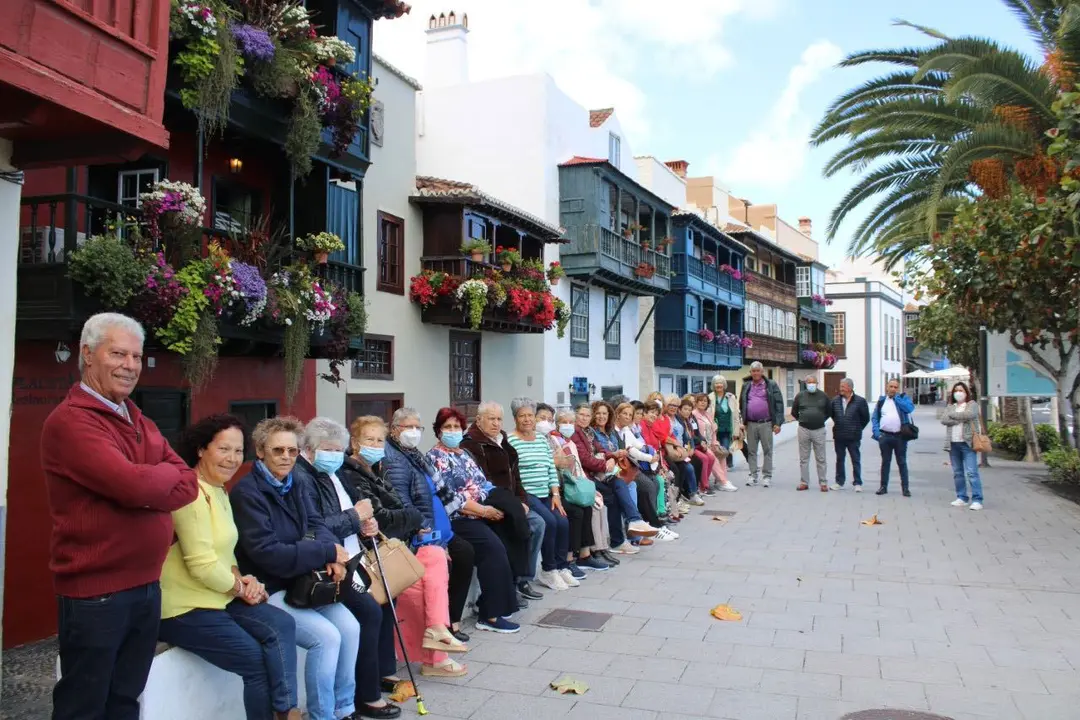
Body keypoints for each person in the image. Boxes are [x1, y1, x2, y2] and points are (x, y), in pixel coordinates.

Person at [43, 312, 199, 720]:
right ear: (87, 355)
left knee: (126, 700)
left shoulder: (136, 418)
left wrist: (148, 480)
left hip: (146, 587)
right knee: (85, 704)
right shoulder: (72, 421)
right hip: (97, 593)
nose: (130, 365)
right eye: (117, 354)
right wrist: (152, 478)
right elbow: (133, 485)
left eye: (135, 356)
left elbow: (189, 484)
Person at [164, 414, 301, 720]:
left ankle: (286, 709)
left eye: (239, 451)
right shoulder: (190, 492)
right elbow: (201, 565)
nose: (232, 459)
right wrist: (240, 589)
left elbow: (225, 554)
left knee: (283, 625)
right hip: (184, 607)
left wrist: (245, 580)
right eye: (224, 449)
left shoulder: (219, 489)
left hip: (217, 596)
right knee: (255, 661)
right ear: (201, 449)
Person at [230, 417, 363, 720]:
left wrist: (331, 555)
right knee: (325, 638)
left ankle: (345, 708)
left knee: (351, 627)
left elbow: (316, 524)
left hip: (303, 581)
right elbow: (268, 553)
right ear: (260, 451)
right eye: (279, 451)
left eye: (292, 451)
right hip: (271, 586)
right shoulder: (248, 493)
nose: (287, 457)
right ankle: (322, 715)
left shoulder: (297, 482)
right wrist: (323, 551)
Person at [341, 416, 470, 677]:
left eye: (380, 440)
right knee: (429, 566)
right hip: (374, 550)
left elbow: (401, 507)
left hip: (400, 540)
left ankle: (437, 632)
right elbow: (387, 518)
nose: (377, 445)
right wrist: (411, 519)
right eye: (370, 440)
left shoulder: (376, 469)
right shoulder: (354, 474)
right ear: (355, 443)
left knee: (435, 556)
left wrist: (409, 518)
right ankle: (436, 651)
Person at [294, 417, 405, 713]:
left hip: (355, 554)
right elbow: (313, 526)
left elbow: (356, 507)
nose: (334, 454)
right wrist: (355, 518)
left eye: (337, 449)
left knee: (379, 606)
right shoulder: (304, 478)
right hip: (330, 566)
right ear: (309, 449)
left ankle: (377, 676)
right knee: (367, 613)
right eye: (327, 449)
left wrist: (366, 523)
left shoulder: (334, 471)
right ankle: (365, 696)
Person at [428, 407, 521, 633]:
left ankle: (508, 597)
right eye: (447, 427)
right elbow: (450, 497)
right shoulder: (434, 458)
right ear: (438, 431)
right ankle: (490, 615)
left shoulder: (464, 454)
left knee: (511, 536)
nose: (453, 431)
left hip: (480, 509)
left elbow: (483, 483)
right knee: (493, 549)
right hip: (459, 518)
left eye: (456, 427)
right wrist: (482, 510)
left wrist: (490, 505)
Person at [460, 401, 543, 608]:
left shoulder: (503, 441)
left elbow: (517, 478)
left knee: (539, 524)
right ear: (479, 420)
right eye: (491, 418)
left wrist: (522, 501)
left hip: (513, 500)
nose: (496, 423)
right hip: (492, 502)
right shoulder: (472, 444)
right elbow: (482, 483)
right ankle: (509, 585)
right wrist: (512, 506)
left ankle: (521, 579)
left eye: (499, 419)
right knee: (513, 528)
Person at [506, 397, 580, 590]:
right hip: (527, 493)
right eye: (522, 416)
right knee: (550, 522)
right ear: (515, 418)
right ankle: (548, 570)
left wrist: (556, 494)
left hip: (546, 492)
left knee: (563, 520)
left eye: (530, 415)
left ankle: (562, 567)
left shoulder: (541, 439)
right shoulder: (510, 440)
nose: (527, 420)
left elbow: (550, 467)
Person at [544, 406, 616, 568]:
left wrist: (588, 486)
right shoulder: (554, 440)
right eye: (564, 422)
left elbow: (577, 467)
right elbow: (563, 466)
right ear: (557, 424)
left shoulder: (570, 441)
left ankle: (586, 554)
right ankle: (570, 557)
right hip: (560, 487)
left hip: (574, 482)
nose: (568, 425)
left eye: (570, 422)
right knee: (576, 511)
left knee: (590, 505)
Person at [738, 362, 786, 487]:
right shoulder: (746, 385)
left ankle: (767, 476)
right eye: (753, 371)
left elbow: (779, 404)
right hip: (751, 424)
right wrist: (743, 421)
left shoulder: (771, 385)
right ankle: (753, 475)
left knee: (767, 450)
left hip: (766, 423)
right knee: (751, 451)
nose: (755, 373)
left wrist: (778, 423)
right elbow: (741, 403)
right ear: (750, 372)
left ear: (762, 372)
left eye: (758, 370)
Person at [939, 382, 985, 510]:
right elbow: (943, 420)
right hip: (953, 444)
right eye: (956, 390)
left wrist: (953, 416)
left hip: (968, 443)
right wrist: (959, 418)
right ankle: (962, 497)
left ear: (966, 392)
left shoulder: (972, 405)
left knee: (972, 472)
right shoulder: (950, 406)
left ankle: (977, 499)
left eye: (961, 390)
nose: (958, 393)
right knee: (958, 473)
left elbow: (969, 415)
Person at [871, 378, 916, 497]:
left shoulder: (902, 398)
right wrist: (877, 433)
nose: (893, 389)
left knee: (902, 462)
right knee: (885, 462)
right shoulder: (881, 401)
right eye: (891, 386)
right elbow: (875, 417)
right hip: (885, 436)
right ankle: (883, 486)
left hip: (900, 436)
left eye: (896, 387)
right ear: (887, 387)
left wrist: (897, 399)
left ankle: (905, 488)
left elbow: (909, 409)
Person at [791, 374, 832, 492]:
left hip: (819, 429)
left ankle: (823, 482)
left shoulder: (823, 396)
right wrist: (802, 419)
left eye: (813, 382)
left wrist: (820, 419)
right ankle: (804, 482)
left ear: (817, 384)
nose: (811, 385)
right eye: (809, 383)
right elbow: (794, 411)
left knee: (821, 457)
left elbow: (829, 411)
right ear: (805, 383)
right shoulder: (800, 396)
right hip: (804, 429)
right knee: (804, 458)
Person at [829, 378, 870, 491]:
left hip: (854, 436)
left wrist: (857, 428)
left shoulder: (860, 401)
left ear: (850, 388)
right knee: (840, 459)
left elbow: (865, 418)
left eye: (843, 386)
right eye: (840, 386)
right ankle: (839, 481)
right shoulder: (835, 401)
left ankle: (857, 482)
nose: (841, 388)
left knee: (855, 459)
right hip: (839, 435)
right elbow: (833, 415)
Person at [693, 393, 735, 493]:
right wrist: (704, 444)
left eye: (705, 401)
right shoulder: (693, 414)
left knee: (722, 454)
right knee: (713, 457)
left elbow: (713, 431)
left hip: (710, 443)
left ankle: (721, 482)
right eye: (701, 400)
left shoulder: (708, 415)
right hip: (700, 445)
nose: (703, 403)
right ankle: (723, 481)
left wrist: (715, 443)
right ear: (696, 402)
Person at [707, 375, 742, 475]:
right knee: (715, 452)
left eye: (720, 383)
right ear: (713, 385)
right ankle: (719, 474)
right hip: (714, 431)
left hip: (727, 429)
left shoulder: (730, 397)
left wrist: (736, 431)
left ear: (724, 384)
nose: (719, 385)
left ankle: (721, 472)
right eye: (717, 383)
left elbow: (736, 415)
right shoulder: (710, 397)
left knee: (725, 450)